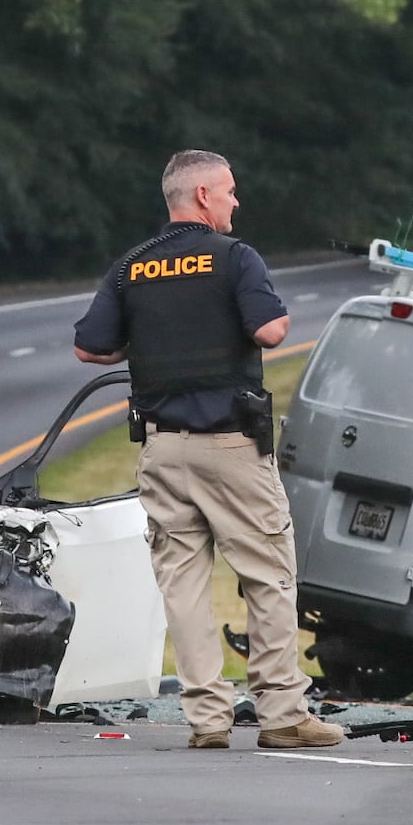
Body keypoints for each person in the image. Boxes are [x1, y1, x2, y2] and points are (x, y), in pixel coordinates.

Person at [73, 149, 343, 751]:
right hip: (231, 447)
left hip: (163, 452)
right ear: (201, 197)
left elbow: (90, 348)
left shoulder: (132, 266)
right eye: (228, 191)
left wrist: (152, 341)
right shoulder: (234, 258)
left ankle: (207, 722)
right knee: (268, 577)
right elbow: (270, 331)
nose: (235, 201)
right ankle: (281, 716)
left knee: (184, 585)